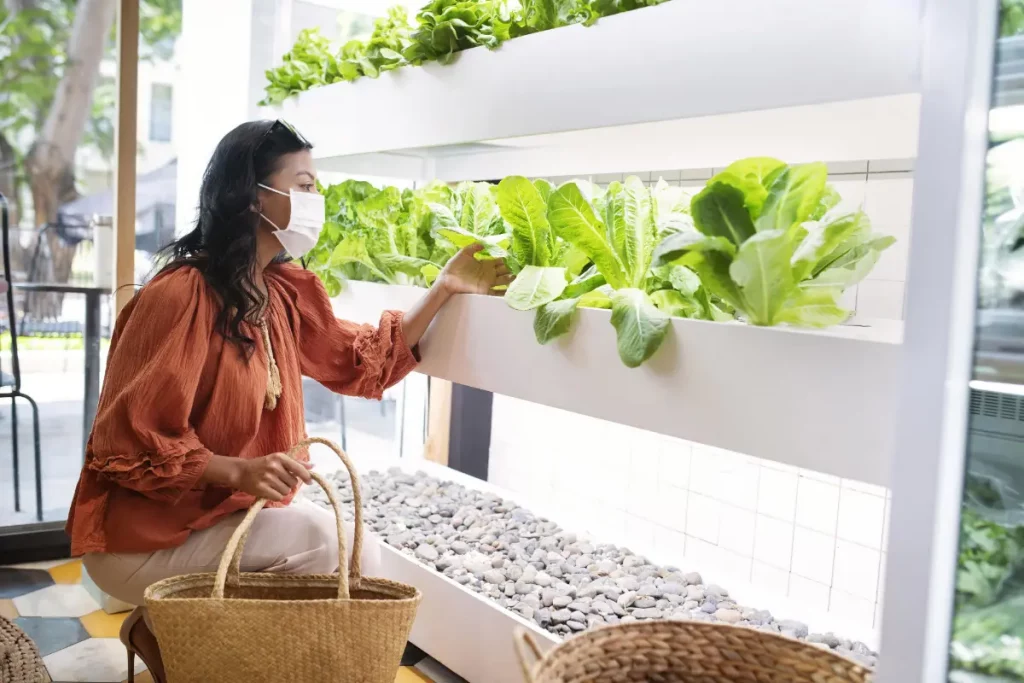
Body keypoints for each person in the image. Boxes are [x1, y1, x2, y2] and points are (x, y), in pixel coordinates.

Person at [64, 120, 511, 682]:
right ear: (253, 197)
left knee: (358, 555)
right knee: (322, 544)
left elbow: (361, 360)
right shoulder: (178, 296)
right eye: (302, 186)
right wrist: (239, 471)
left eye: (315, 186)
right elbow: (125, 443)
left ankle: (189, 645)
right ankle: (174, 637)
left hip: (214, 517)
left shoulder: (278, 293)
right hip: (143, 537)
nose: (315, 200)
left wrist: (444, 287)